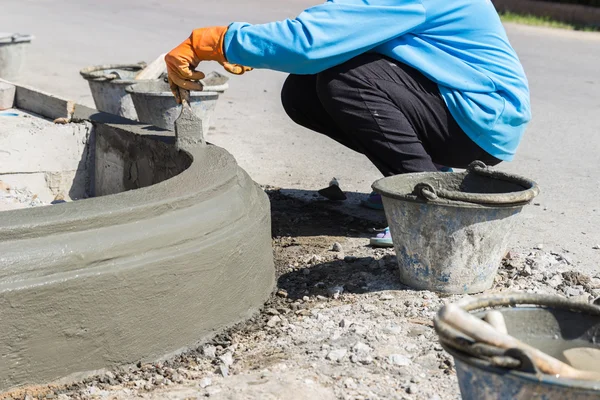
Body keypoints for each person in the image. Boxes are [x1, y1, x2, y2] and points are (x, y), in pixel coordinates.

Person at [165, 0, 531, 248]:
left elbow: (309, 42)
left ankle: (428, 208)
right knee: (303, 91)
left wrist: (212, 42)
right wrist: (254, 48)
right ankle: (422, 171)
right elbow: (332, 30)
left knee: (346, 81)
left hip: (479, 116)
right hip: (454, 103)